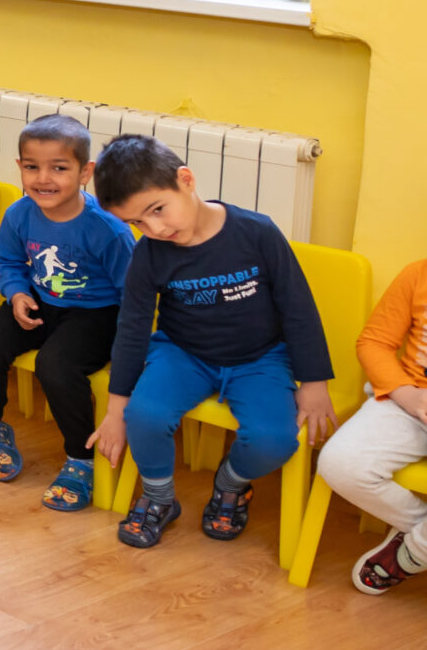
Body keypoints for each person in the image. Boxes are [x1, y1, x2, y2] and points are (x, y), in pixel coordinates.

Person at [92, 134, 334, 550]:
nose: (155, 229)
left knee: (275, 439)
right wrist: (116, 411)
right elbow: (132, 328)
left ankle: (231, 483)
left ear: (185, 180)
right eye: (137, 223)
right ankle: (159, 498)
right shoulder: (149, 253)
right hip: (182, 354)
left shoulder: (257, 232)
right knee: (144, 416)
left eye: (157, 210)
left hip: (260, 359)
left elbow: (298, 307)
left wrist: (314, 382)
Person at [0, 115, 134, 510]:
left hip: (95, 314)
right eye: (32, 167)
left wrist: (129, 349)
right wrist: (17, 294)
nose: (44, 179)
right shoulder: (19, 214)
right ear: (20, 168)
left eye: (59, 168)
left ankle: (81, 458)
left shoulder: (108, 229)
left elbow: (133, 294)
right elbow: (8, 262)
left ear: (85, 172)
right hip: (38, 300)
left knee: (55, 366)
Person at [316, 256, 427, 595]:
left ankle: (415, 552)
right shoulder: (418, 273)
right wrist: (408, 396)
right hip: (409, 399)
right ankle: (419, 531)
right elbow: (374, 342)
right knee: (340, 463)